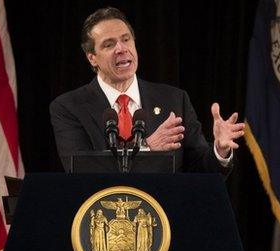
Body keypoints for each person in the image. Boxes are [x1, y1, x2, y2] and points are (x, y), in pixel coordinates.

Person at [50, 7, 245, 174]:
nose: (121, 48)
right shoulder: (68, 107)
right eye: (109, 44)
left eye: (126, 40)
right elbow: (82, 170)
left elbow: (200, 170)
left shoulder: (174, 100)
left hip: (165, 213)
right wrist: (146, 148)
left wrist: (219, 151)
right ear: (92, 57)